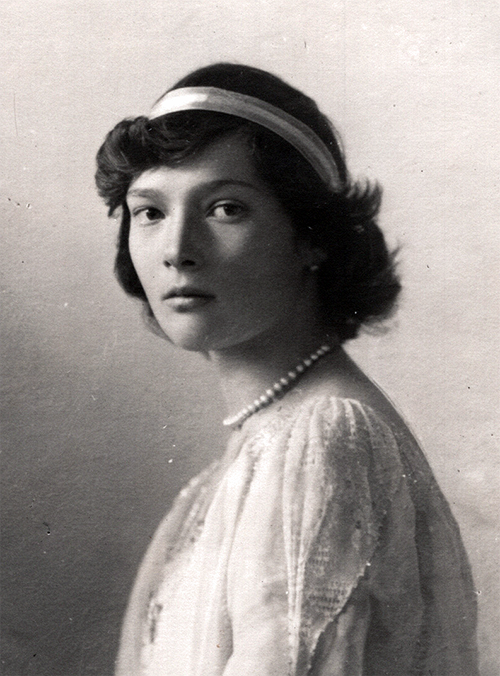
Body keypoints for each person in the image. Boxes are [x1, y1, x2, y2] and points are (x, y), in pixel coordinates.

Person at [95, 63, 478, 676]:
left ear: (312, 237)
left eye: (225, 208)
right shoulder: (254, 457)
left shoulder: (324, 441)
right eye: (150, 212)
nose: (177, 250)